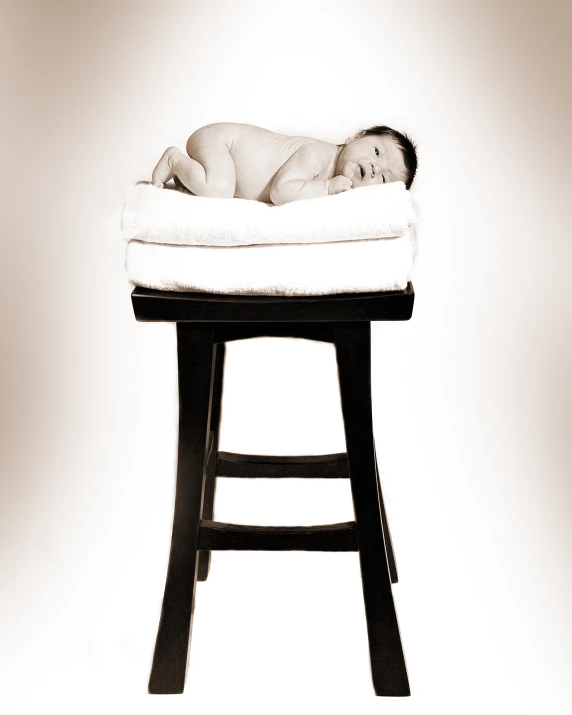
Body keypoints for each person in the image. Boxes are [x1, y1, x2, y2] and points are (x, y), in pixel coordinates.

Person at [152, 122, 417, 205]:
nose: (374, 167)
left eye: (383, 178)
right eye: (376, 152)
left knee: (216, 187)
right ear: (356, 137)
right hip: (223, 142)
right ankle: (175, 160)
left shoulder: (333, 181)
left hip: (224, 153)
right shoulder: (319, 155)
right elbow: (281, 192)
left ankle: (191, 177)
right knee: (219, 188)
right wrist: (326, 188)